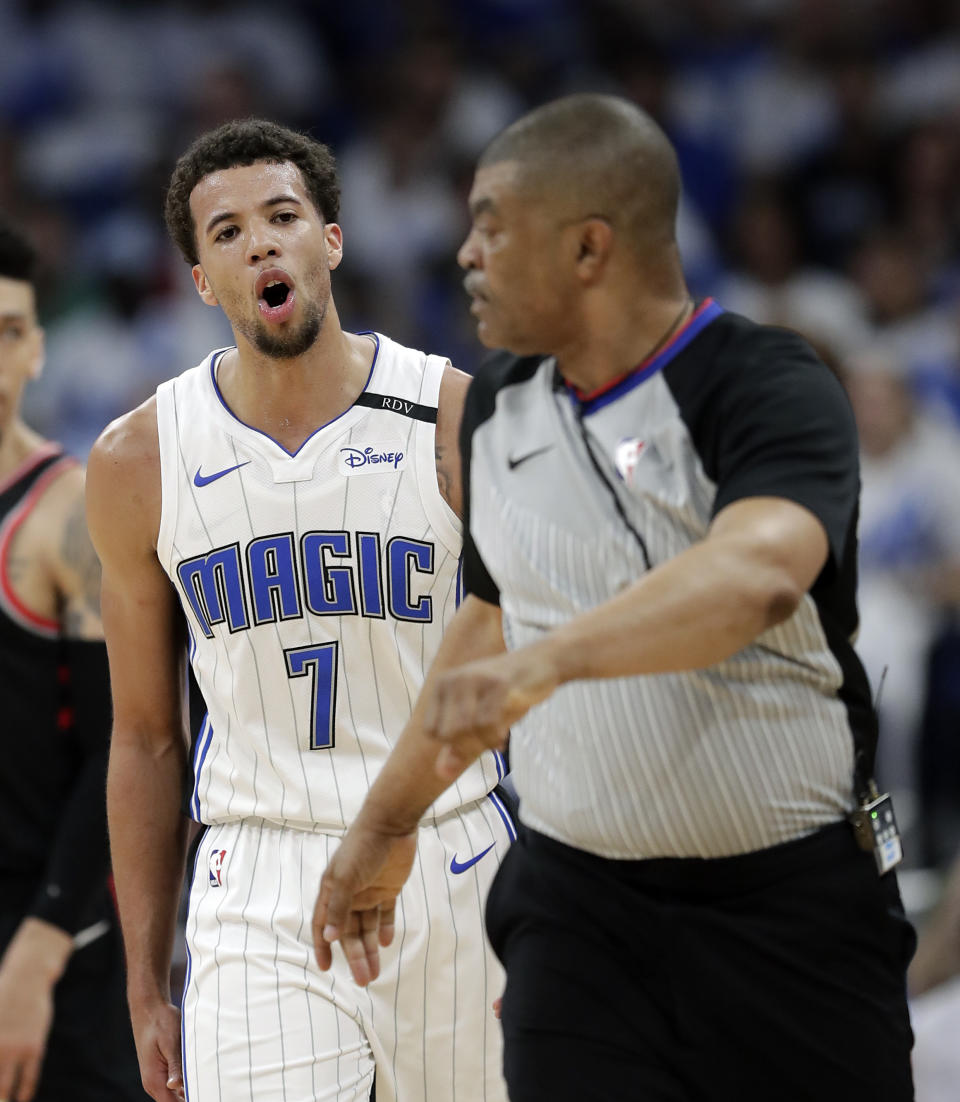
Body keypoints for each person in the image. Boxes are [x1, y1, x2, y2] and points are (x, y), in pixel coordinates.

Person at [314, 94, 917, 1101]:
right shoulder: (496, 408)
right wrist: (387, 819)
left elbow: (759, 575)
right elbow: (491, 622)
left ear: (590, 247)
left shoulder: (766, 380)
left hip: (790, 911)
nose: (465, 252)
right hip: (578, 916)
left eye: (493, 225)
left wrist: (551, 659)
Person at [85, 119, 512, 1102]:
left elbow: (534, 660)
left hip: (448, 848)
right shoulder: (138, 460)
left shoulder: (453, 416)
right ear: (201, 279)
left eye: (283, 217)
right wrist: (144, 978)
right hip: (259, 874)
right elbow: (147, 736)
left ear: (332, 240)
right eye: (227, 232)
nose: (260, 243)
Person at [0, 219, 147, 1102]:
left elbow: (125, 741)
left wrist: (44, 942)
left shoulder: (68, 516)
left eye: (10, 331)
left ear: (40, 349)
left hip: (51, 939)